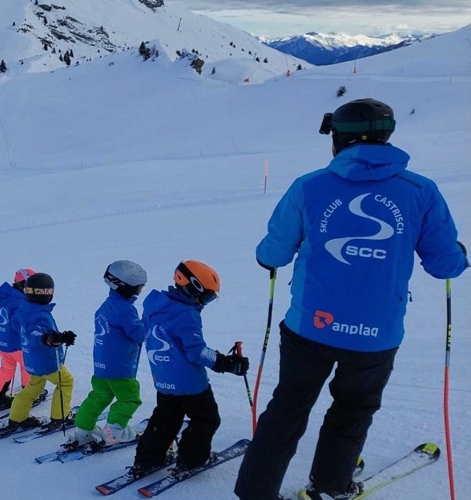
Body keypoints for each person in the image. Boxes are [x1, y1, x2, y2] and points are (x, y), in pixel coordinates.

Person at [234, 98, 469, 500]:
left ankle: (256, 492)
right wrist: (458, 255)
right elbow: (445, 265)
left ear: (339, 139)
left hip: (310, 326)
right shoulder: (420, 191)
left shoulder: (310, 185)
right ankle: (330, 483)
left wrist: (266, 256)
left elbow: (273, 253)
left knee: (289, 406)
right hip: (375, 334)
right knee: (353, 409)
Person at [131, 260, 249, 476]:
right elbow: (197, 352)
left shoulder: (154, 305)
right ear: (193, 288)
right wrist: (228, 363)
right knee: (206, 419)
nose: (206, 302)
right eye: (208, 297)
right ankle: (192, 461)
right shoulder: (186, 314)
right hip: (190, 384)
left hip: (163, 379)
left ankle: (147, 460)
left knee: (166, 419)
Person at [66, 260, 149, 450]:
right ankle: (114, 431)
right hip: (120, 368)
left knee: (98, 396)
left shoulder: (106, 306)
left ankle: (82, 430)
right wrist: (148, 321)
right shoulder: (125, 309)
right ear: (126, 287)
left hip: (102, 366)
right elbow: (139, 335)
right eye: (139, 288)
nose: (140, 291)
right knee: (129, 398)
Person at [0, 272, 76, 435]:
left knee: (33, 387)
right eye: (44, 292)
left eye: (48, 291)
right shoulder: (39, 314)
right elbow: (34, 334)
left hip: (32, 360)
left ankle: (18, 418)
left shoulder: (24, 308)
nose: (46, 295)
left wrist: (58, 336)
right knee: (66, 382)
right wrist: (49, 339)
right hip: (46, 361)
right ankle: (60, 417)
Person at [0, 268, 35, 412]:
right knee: (27, 368)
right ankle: (28, 395)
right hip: (17, 344)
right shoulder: (19, 301)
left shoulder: (4, 298)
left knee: (7, 368)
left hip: (3, 343)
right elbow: (17, 323)